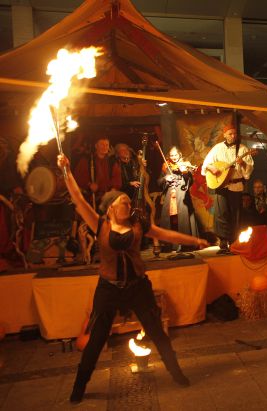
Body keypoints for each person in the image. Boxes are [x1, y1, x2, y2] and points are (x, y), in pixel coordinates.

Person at [56, 154, 208, 404]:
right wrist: (66, 170)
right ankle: (79, 386)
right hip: (108, 288)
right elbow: (78, 199)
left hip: (137, 286)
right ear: (111, 207)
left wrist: (195, 240)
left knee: (157, 333)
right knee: (96, 340)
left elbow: (167, 235)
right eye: (123, 203)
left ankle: (177, 373)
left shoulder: (138, 225)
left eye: (128, 202)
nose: (128, 205)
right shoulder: (100, 224)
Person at [201, 123, 254, 254]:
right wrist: (212, 168)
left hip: (236, 186)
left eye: (235, 133)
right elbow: (206, 164)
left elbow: (248, 171)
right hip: (221, 185)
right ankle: (223, 242)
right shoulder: (217, 148)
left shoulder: (242, 149)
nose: (233, 136)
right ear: (224, 135)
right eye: (230, 133)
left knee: (235, 214)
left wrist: (243, 163)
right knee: (221, 214)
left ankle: (234, 242)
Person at [158, 147, 198, 251]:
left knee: (183, 218)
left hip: (182, 193)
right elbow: (159, 182)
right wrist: (165, 178)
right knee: (169, 218)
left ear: (179, 155)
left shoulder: (185, 164)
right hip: (170, 194)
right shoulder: (166, 166)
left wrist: (185, 173)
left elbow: (191, 181)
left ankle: (185, 244)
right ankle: (169, 244)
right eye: (171, 155)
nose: (174, 157)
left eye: (175, 155)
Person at [73, 136, 122, 209]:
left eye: (106, 145)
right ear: (96, 146)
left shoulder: (112, 162)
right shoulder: (87, 160)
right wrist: (89, 185)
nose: (105, 147)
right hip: (90, 197)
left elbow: (116, 178)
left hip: (107, 197)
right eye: (102, 144)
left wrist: (112, 191)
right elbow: (78, 176)